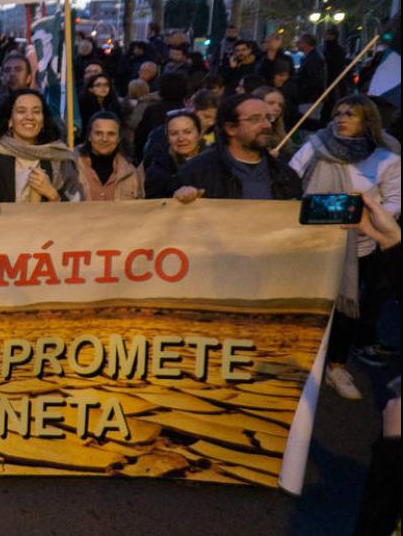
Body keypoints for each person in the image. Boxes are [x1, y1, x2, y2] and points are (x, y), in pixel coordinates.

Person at [289, 95, 401, 401]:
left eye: (351, 114)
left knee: (345, 306)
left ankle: (336, 366)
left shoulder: (386, 159)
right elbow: (291, 179)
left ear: (368, 121)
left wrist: (369, 213)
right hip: (312, 240)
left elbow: (395, 199)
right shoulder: (315, 147)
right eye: (338, 113)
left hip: (358, 246)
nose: (342, 119)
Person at [172, 93, 303, 203]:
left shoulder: (285, 175)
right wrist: (181, 199)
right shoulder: (196, 172)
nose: (266, 125)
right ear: (231, 129)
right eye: (255, 119)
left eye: (268, 118)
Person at [0, 90, 84, 203]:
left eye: (36, 112)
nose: (30, 117)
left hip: (46, 220)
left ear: (43, 121)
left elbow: (76, 208)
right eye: (21, 111)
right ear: (10, 120)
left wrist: (53, 195)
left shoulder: (60, 158)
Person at [76, 112, 143, 201]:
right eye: (98, 133)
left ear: (119, 138)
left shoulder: (131, 174)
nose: (104, 139)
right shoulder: (71, 166)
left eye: (111, 134)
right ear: (89, 136)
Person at [145, 111, 205, 199]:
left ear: (199, 134)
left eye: (187, 132)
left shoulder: (215, 164)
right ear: (168, 138)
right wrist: (173, 197)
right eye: (174, 133)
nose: (181, 138)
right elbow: (152, 205)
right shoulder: (157, 169)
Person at [294, 33, 327, 119]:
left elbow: (315, 79)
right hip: (308, 97)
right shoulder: (309, 57)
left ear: (306, 43)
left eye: (300, 42)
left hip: (310, 98)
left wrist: (300, 88)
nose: (298, 44)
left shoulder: (314, 59)